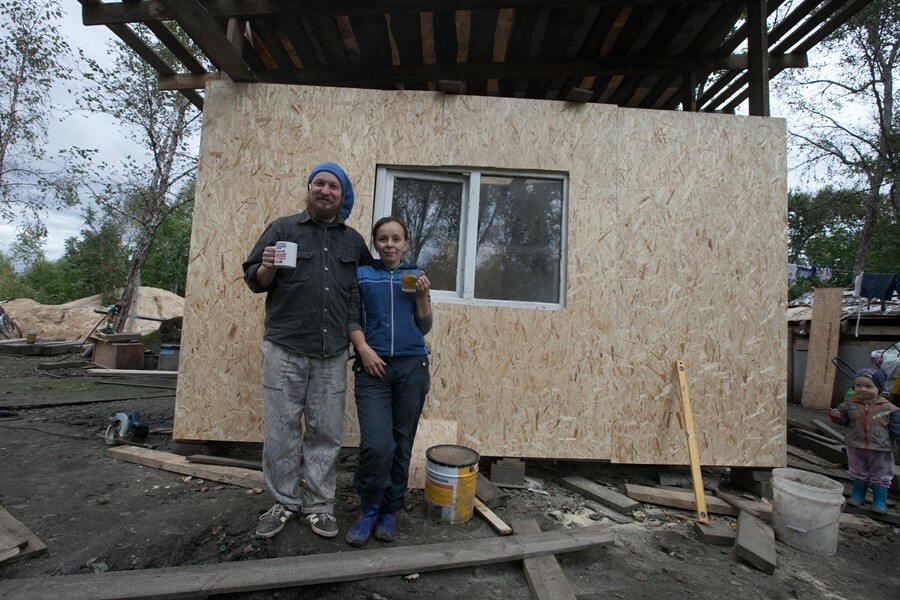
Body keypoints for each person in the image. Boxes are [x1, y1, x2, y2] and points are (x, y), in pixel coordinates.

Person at [242, 162, 372, 539]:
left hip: (332, 352)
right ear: (309, 188)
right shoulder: (283, 229)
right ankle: (284, 501)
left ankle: (319, 506)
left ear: (342, 196)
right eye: (319, 183)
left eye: (333, 186)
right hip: (285, 348)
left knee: (325, 432)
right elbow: (255, 281)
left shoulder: (354, 242)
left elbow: (364, 294)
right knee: (281, 430)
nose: (325, 190)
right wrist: (266, 267)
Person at [345, 216, 433, 546]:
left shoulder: (415, 275)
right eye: (383, 239)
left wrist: (423, 296)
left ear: (406, 243)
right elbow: (351, 317)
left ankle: (389, 511)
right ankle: (368, 508)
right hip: (373, 369)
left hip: (411, 368)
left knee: (400, 442)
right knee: (375, 444)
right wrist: (363, 348)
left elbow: (423, 327)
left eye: (396, 239)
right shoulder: (363, 275)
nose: (390, 244)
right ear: (375, 243)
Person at [828, 368, 900, 513]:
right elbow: (844, 420)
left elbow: (897, 428)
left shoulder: (889, 408)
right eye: (858, 385)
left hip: (881, 449)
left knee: (881, 474)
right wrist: (836, 416)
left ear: (878, 388)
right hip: (856, 445)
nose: (863, 389)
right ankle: (857, 496)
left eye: (869, 386)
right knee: (857, 471)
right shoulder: (849, 404)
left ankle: (879, 502)